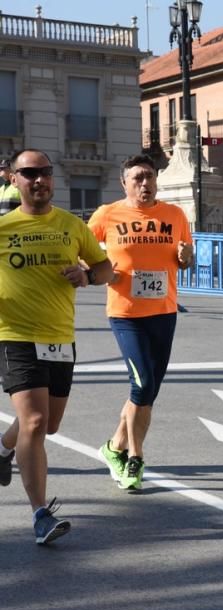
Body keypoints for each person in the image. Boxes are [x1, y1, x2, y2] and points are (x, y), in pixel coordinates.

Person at [0, 149, 113, 544]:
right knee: (33, 421)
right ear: (14, 179)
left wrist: (87, 276)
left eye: (44, 172)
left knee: (47, 424)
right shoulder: (3, 227)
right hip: (14, 336)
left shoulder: (71, 225)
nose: (38, 180)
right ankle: (40, 514)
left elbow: (105, 268)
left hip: (60, 338)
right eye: (28, 173)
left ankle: (3, 447)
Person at [87, 154, 193, 492]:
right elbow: (79, 248)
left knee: (147, 391)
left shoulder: (174, 215)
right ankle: (135, 457)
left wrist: (186, 257)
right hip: (126, 313)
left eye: (149, 177)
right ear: (124, 182)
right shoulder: (107, 214)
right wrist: (101, 271)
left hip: (163, 311)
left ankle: (113, 446)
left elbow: (186, 257)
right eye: (137, 178)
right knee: (142, 383)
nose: (144, 184)